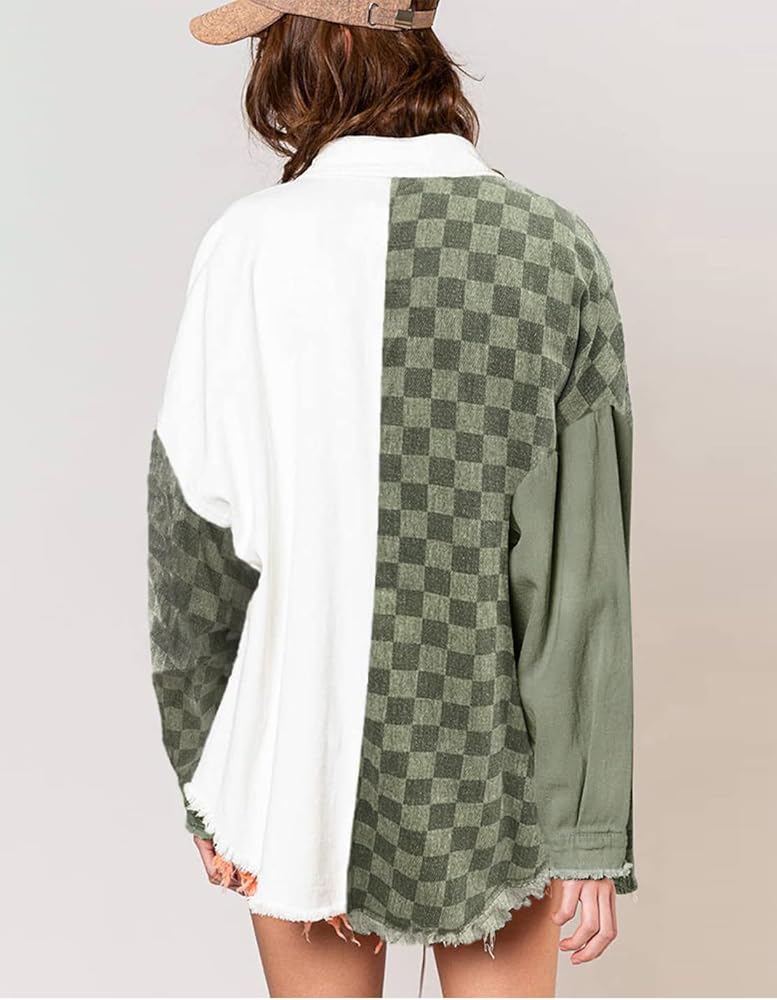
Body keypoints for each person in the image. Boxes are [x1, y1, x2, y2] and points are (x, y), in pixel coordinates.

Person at [146, 1, 637, 996]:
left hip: (297, 768)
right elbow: (577, 570)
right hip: (499, 774)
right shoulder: (551, 247)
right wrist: (586, 826)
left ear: (325, 45)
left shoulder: (245, 246)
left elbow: (192, 547)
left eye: (270, 40)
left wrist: (208, 775)